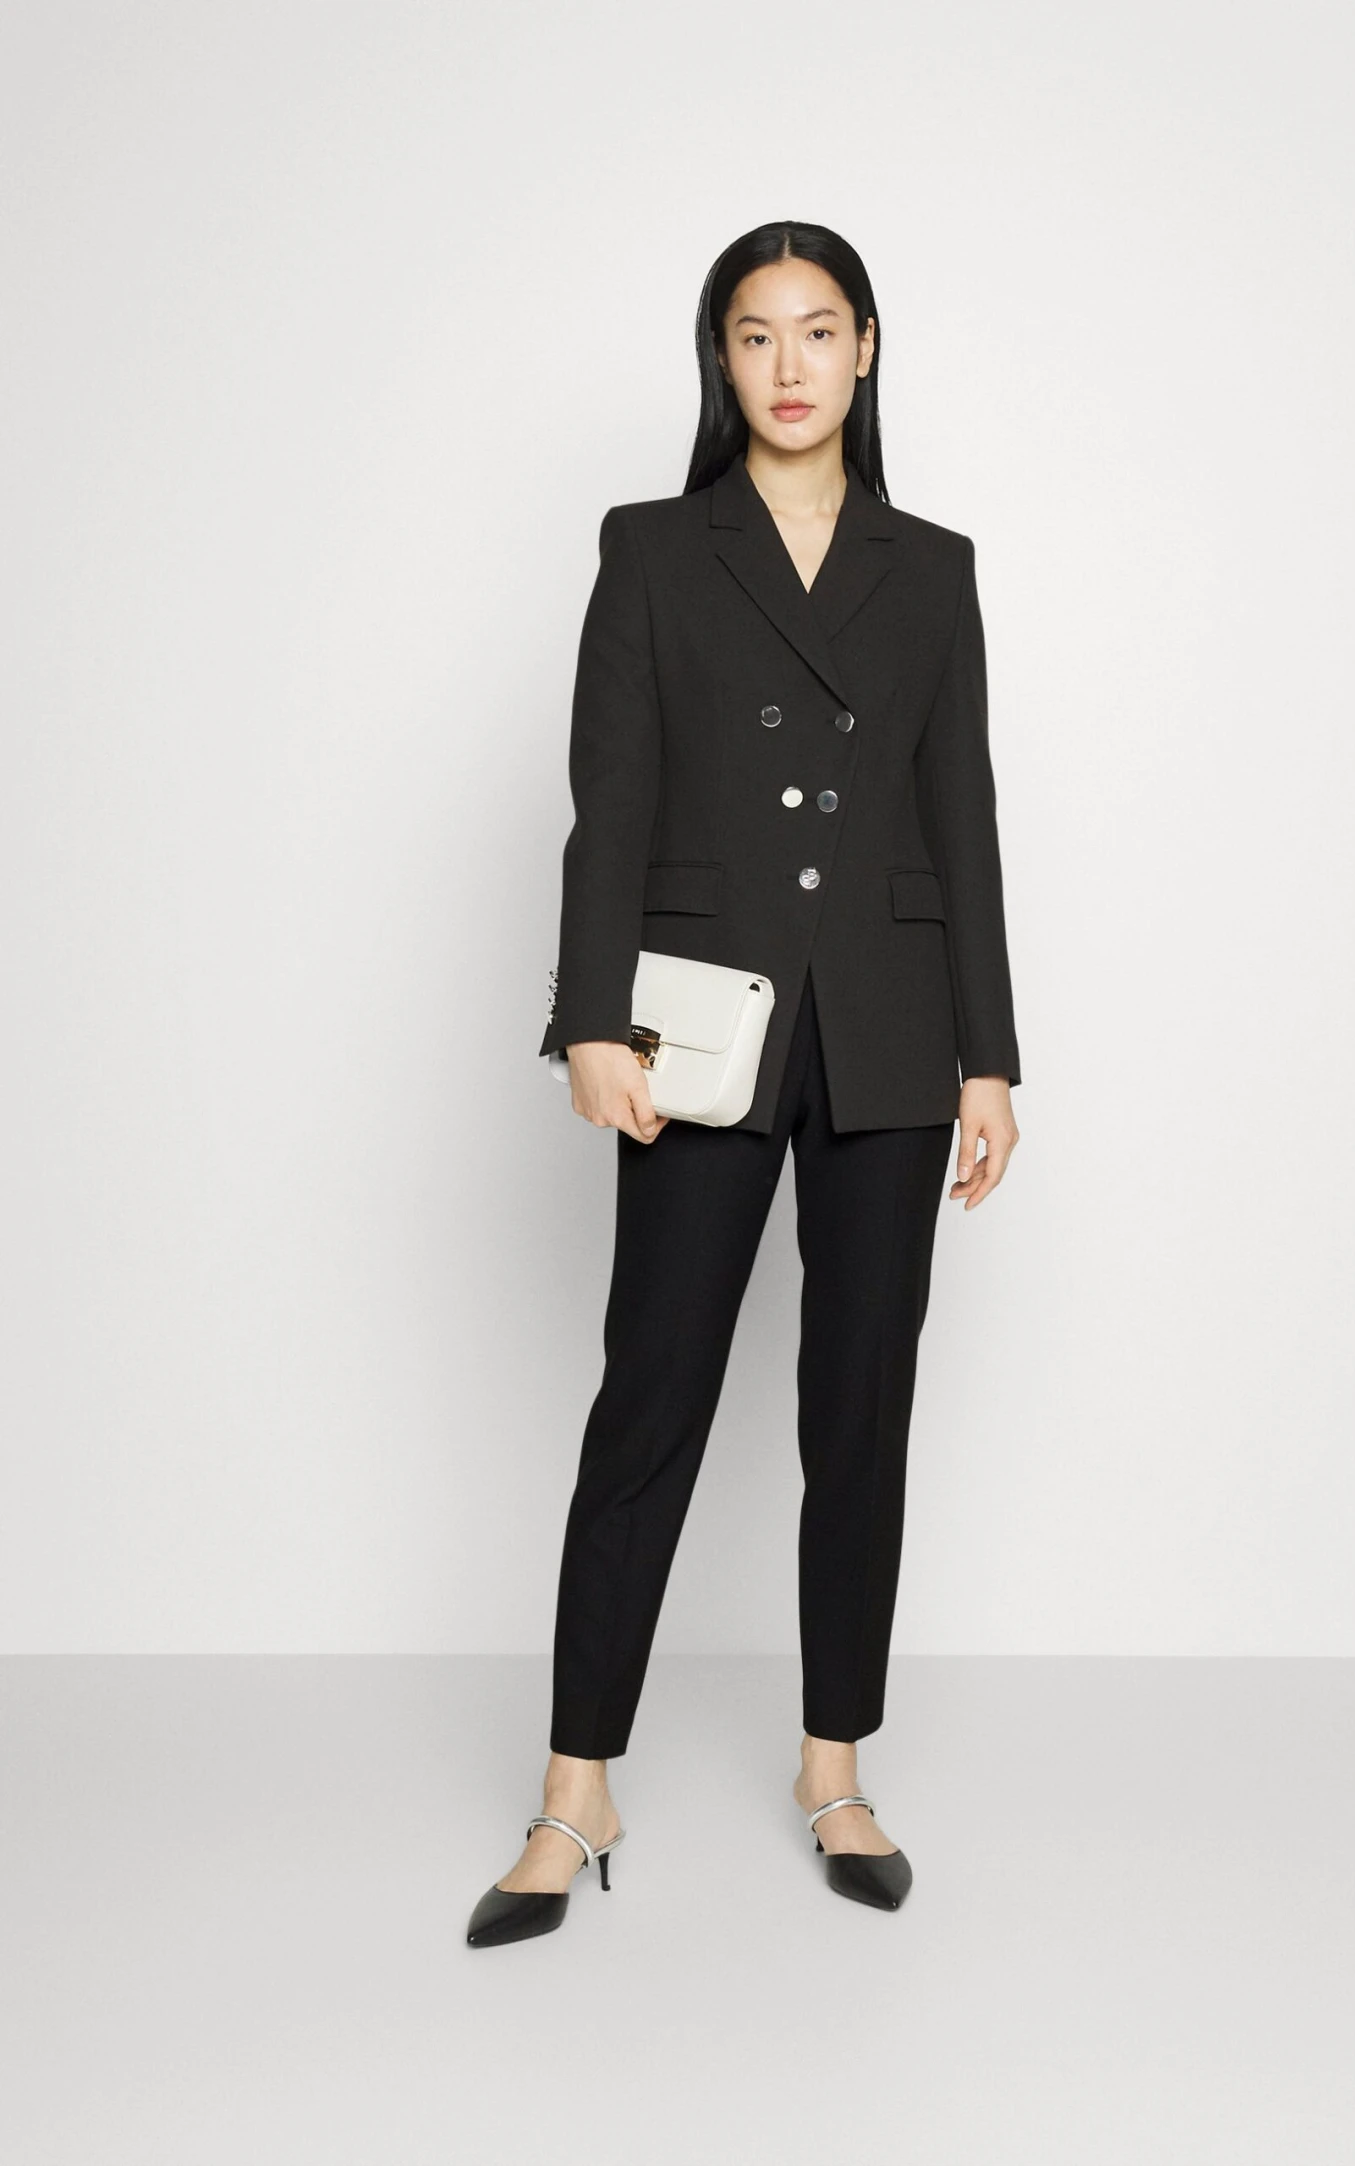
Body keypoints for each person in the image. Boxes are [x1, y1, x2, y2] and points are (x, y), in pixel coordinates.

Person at [467, 220, 1021, 1947]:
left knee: (860, 1410)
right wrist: (590, 1019)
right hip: (704, 1023)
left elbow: (963, 816)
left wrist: (990, 1052)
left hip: (888, 1026)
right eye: (756, 334)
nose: (789, 364)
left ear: (868, 348)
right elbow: (609, 801)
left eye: (819, 330)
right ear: (721, 359)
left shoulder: (934, 567)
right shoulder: (652, 546)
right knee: (651, 1397)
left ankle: (834, 1767)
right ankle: (576, 1787)